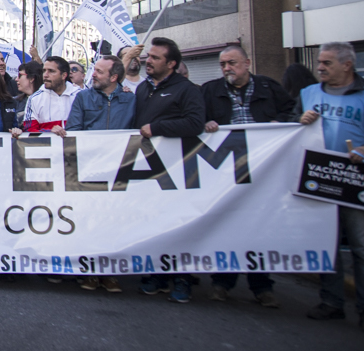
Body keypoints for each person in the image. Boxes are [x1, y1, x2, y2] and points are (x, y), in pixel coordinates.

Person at [199, 44, 295, 306]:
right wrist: (205, 123)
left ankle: (262, 286)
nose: (227, 68)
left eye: (232, 63)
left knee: (257, 227)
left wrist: (280, 122)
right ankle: (222, 282)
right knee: (226, 225)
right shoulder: (210, 90)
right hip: (225, 173)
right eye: (222, 64)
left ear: (247, 63)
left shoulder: (268, 87)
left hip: (263, 172)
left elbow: (292, 111)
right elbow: (196, 117)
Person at [134, 37, 205, 303]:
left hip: (179, 170)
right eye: (149, 56)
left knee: (178, 224)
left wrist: (158, 128)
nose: (148, 61)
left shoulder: (187, 90)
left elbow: (195, 123)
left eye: (155, 57)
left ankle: (182, 279)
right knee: (154, 221)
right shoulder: (143, 88)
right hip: (149, 168)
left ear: (171, 63)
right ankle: (158, 275)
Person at [298, 42, 364, 329]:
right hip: (319, 177)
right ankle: (331, 302)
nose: (320, 67)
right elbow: (288, 130)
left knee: (361, 247)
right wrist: (299, 120)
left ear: (347, 65)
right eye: (319, 62)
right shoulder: (308, 93)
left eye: (327, 63)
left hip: (356, 180)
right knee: (327, 243)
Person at [63, 55, 134, 293]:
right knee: (89, 220)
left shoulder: (130, 99)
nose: (93, 74)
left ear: (114, 77)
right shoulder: (83, 98)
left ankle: (110, 273)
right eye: (94, 70)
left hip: (121, 169)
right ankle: (89, 271)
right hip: (90, 168)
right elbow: (74, 129)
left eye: (100, 72)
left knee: (114, 220)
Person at [20, 56, 80, 135]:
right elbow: (29, 130)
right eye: (44, 71)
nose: (45, 75)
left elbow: (88, 126)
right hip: (47, 143)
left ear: (64, 75)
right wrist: (50, 132)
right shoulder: (34, 99)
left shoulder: (79, 95)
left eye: (51, 71)